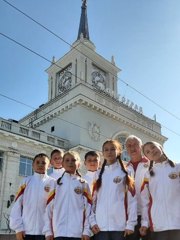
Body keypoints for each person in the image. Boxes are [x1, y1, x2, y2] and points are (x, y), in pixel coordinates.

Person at [90, 140, 137, 240]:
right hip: (100, 227)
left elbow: (132, 200)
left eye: (113, 149)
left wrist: (131, 224)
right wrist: (92, 222)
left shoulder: (126, 171)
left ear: (119, 151)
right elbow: (92, 201)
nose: (109, 152)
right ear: (102, 153)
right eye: (106, 150)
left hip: (120, 227)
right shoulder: (97, 174)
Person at [43, 150, 92, 240]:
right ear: (63, 164)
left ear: (78, 164)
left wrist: (86, 231)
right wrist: (48, 231)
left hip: (77, 233)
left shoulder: (83, 184)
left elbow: (89, 209)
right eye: (67, 160)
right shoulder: (55, 183)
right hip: (58, 232)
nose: (70, 163)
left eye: (73, 160)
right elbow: (48, 209)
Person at [140, 141, 180, 240]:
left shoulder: (177, 168)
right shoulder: (147, 175)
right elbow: (145, 201)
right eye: (148, 152)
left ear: (160, 147)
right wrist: (145, 223)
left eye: (153, 147)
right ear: (147, 158)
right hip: (158, 225)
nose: (152, 151)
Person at [10, 153, 55, 240]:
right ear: (33, 165)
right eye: (37, 162)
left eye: (44, 163)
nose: (40, 165)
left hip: (46, 232)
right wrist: (18, 228)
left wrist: (52, 230)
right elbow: (17, 206)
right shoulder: (25, 182)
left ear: (49, 166)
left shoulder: (53, 183)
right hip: (26, 231)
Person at [125, 135, 150, 240]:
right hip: (130, 216)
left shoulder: (151, 164)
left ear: (141, 146)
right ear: (126, 149)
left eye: (135, 144)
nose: (132, 148)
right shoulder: (124, 169)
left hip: (149, 214)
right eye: (129, 145)